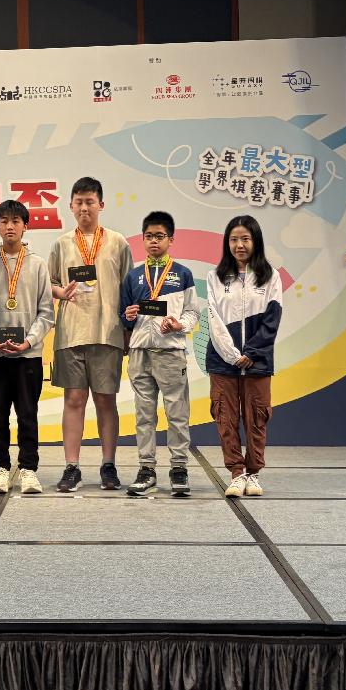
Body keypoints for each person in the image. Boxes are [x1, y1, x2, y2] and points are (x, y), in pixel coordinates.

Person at [47, 176, 134, 492]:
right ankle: (72, 467)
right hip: (71, 332)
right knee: (73, 399)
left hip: (107, 331)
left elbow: (129, 288)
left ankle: (108, 465)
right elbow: (49, 284)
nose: (84, 207)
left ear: (101, 205)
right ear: (71, 206)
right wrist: (60, 292)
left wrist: (127, 331)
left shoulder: (118, 242)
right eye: (79, 202)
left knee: (106, 399)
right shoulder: (61, 243)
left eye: (90, 202)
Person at [0, 200, 54, 494]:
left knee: (27, 413)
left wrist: (29, 341)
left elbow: (47, 312)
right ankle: (0, 468)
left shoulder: (37, 264)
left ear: (25, 226)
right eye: (4, 221)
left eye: (16, 221)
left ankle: (29, 469)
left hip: (28, 354)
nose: (10, 226)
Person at [120, 211, 200, 497]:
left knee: (177, 412)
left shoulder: (182, 274)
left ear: (171, 239)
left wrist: (180, 325)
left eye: (159, 236)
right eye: (149, 236)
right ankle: (146, 469)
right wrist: (129, 316)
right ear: (143, 239)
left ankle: (179, 468)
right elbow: (124, 316)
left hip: (171, 351)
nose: (154, 241)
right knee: (144, 414)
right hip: (140, 352)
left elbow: (193, 312)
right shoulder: (133, 276)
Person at [206, 214, 283, 497]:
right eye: (234, 239)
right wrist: (231, 354)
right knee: (225, 418)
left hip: (258, 362)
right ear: (227, 243)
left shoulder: (270, 277)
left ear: (256, 241)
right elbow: (213, 318)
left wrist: (252, 352)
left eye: (245, 239)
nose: (239, 245)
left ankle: (253, 474)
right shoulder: (215, 277)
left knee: (257, 418)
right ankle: (236, 474)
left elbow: (272, 319)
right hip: (222, 361)